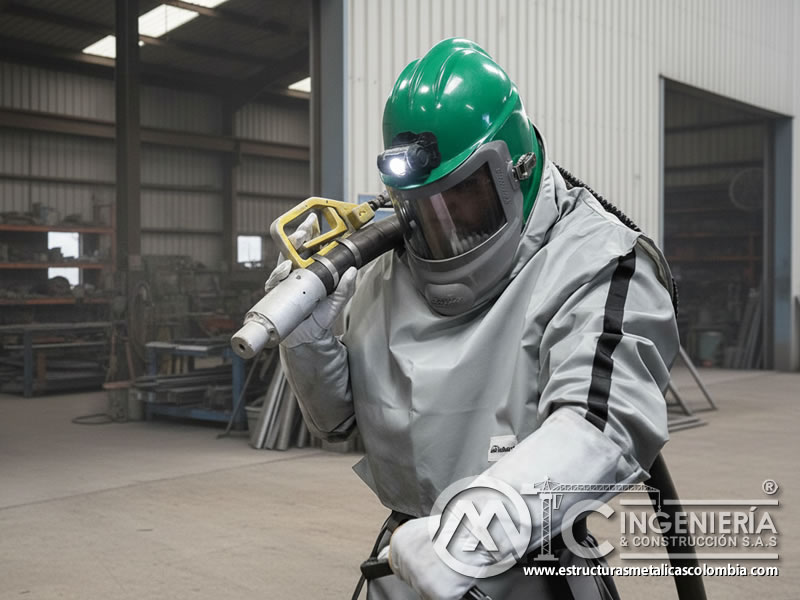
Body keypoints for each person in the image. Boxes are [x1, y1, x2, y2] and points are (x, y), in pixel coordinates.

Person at [273, 38, 679, 600]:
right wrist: (308, 340)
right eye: (425, 207)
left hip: (537, 567)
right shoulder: (392, 262)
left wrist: (475, 530)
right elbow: (339, 423)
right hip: (411, 557)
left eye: (464, 195)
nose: (445, 222)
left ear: (519, 168)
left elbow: (602, 424)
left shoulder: (597, 260)